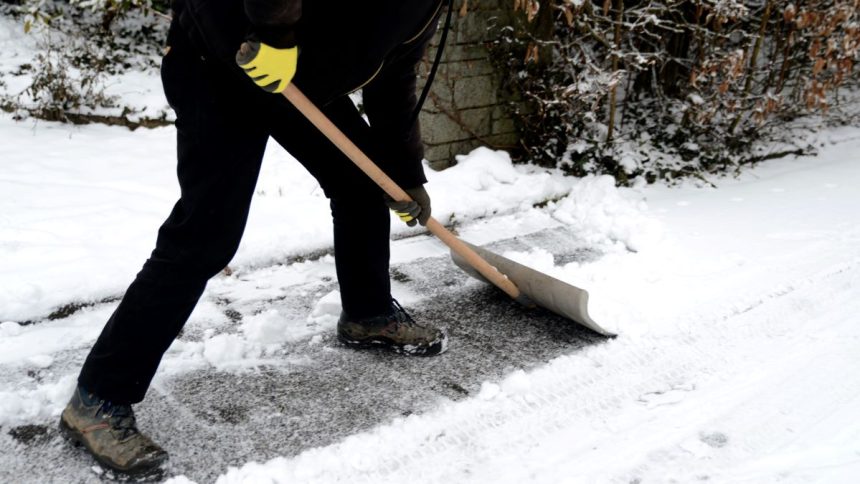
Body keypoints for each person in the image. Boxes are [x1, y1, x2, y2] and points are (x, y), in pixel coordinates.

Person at [58, 0, 448, 476]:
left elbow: (393, 75)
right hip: (222, 58)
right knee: (207, 234)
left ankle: (367, 314)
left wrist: (405, 173)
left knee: (363, 182)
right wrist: (278, 36)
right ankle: (98, 399)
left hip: (295, 82)